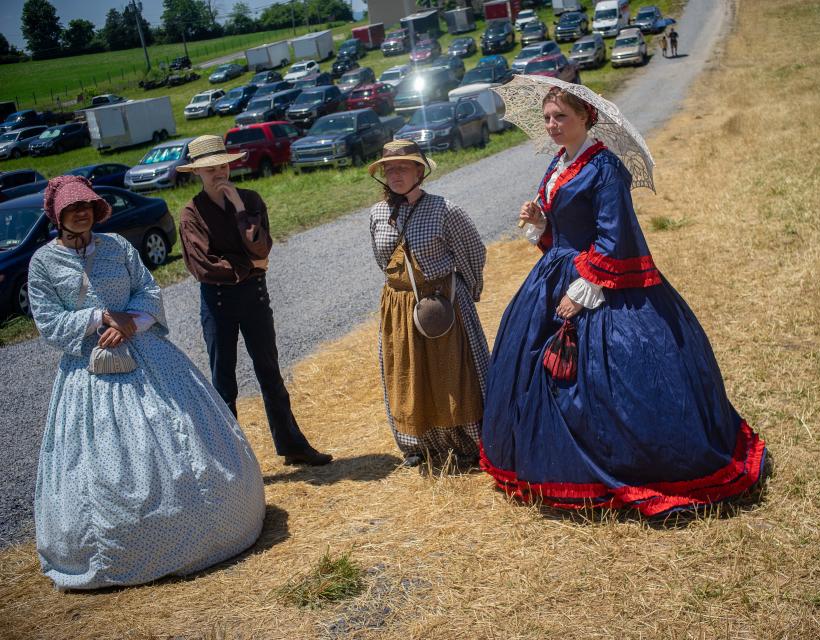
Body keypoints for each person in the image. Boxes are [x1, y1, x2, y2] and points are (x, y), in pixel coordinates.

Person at [479, 88, 768, 516]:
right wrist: (542, 222)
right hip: (557, 273)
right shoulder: (558, 163)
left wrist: (584, 292)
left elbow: (615, 239)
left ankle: (626, 464)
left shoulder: (605, 168)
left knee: (612, 377)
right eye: (546, 117)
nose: (551, 125)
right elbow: (563, 235)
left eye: (560, 116)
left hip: (598, 281)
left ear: (585, 116)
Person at [28, 175, 265, 590]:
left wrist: (130, 324)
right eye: (71, 207)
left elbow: (148, 292)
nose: (81, 212)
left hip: (147, 354)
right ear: (57, 215)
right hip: (90, 367)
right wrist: (102, 318)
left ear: (97, 209)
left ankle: (211, 527)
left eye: (86, 205)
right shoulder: (43, 264)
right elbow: (48, 323)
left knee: (183, 434)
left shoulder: (117, 247)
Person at [177, 135, 331, 466]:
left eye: (222, 166)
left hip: (254, 298)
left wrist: (239, 210)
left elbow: (261, 247)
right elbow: (203, 265)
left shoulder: (251, 199)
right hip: (218, 303)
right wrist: (249, 267)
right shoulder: (192, 213)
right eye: (209, 169)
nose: (218, 173)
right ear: (197, 173)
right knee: (224, 382)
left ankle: (292, 446)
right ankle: (233, 462)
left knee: (270, 373)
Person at [367, 140, 488, 467]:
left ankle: (469, 445)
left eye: (402, 167)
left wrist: (464, 295)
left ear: (419, 171)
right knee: (408, 375)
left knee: (452, 374)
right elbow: (382, 261)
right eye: (389, 168)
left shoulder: (445, 210)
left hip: (442, 305)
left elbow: (474, 254)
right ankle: (419, 447)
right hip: (400, 309)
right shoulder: (378, 214)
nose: (395, 174)